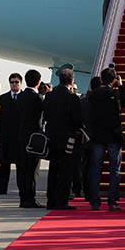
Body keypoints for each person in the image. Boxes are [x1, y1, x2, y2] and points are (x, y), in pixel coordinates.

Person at [43, 66, 83, 210]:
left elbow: (46, 115)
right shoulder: (72, 97)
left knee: (53, 170)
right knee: (65, 171)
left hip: (52, 138)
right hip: (67, 139)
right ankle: (62, 201)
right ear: (71, 81)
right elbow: (77, 120)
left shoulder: (50, 96)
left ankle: (51, 200)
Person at [88, 67, 125, 210]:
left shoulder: (93, 95)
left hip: (97, 136)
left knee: (96, 169)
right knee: (114, 169)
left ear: (101, 79)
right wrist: (121, 86)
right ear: (114, 80)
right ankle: (113, 201)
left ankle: (95, 201)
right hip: (113, 136)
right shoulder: (115, 94)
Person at [17, 69, 45, 208]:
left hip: (22, 135)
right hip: (34, 137)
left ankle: (23, 197)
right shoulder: (37, 98)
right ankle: (30, 198)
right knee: (33, 169)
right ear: (38, 82)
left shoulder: (20, 97)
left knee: (23, 167)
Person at [0, 73, 23, 195]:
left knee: (21, 166)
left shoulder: (24, 98)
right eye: (12, 82)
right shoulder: (3, 98)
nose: (14, 84)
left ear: (21, 83)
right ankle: (2, 189)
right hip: (6, 136)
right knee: (4, 165)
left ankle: (22, 188)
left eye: (16, 82)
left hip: (19, 136)